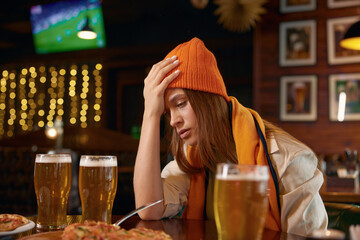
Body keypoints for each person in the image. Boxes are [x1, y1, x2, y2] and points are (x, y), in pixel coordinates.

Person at [133, 37, 328, 236]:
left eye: (181, 103)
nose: (173, 121)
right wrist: (150, 114)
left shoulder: (289, 160)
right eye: (167, 112)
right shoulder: (191, 156)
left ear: (208, 100)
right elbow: (149, 209)